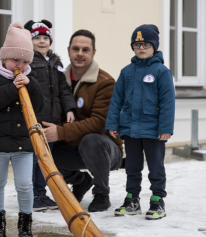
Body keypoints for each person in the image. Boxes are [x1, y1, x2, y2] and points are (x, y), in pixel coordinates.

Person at [43, 29, 124, 212]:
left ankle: (102, 193)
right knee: (41, 149)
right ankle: (80, 180)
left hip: (106, 149)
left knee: (92, 140)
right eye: (75, 49)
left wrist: (60, 132)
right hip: (72, 147)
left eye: (85, 50)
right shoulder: (57, 79)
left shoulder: (105, 82)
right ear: (68, 50)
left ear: (93, 53)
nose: (80, 54)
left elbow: (98, 122)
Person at [0, 22, 45, 237]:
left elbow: (40, 107)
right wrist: (11, 87)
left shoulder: (29, 79)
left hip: (23, 142)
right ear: (4, 57)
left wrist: (31, 86)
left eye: (25, 61)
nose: (21, 65)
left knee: (25, 185)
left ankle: (25, 227)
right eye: (16, 59)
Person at [105, 24, 175, 220]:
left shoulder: (161, 72)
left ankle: (157, 200)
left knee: (156, 166)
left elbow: (168, 102)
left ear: (154, 46)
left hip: (154, 131)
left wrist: (166, 128)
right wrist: (113, 124)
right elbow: (116, 99)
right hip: (130, 129)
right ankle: (132, 200)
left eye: (145, 44)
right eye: (136, 45)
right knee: (132, 167)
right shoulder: (126, 72)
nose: (141, 48)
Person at [24, 19, 76, 212]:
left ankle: (40, 194)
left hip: (51, 123)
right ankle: (30, 195)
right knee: (32, 160)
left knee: (46, 160)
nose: (42, 41)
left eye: (45, 37)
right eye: (37, 37)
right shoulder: (28, 62)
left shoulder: (56, 62)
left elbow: (64, 89)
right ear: (30, 41)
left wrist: (69, 109)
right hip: (34, 121)